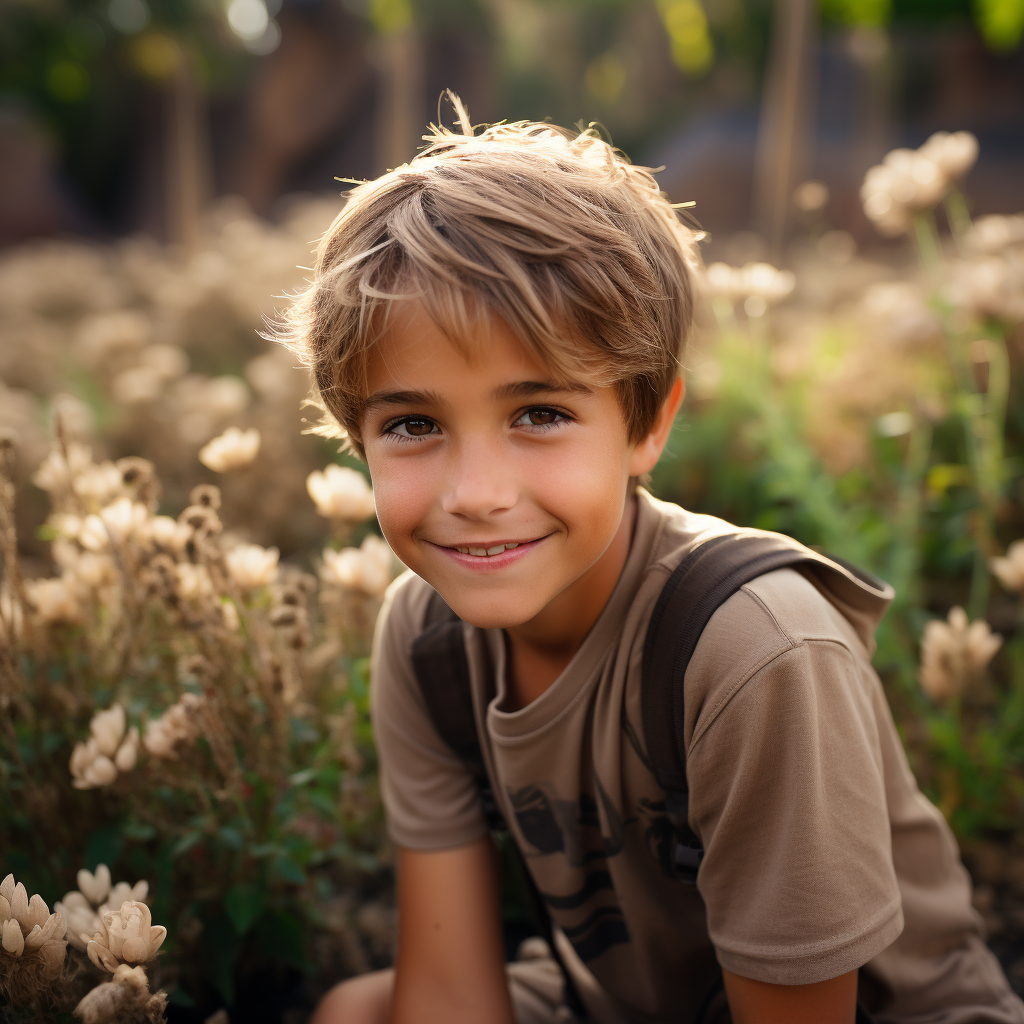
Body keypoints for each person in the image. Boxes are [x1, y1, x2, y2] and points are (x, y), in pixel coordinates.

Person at [281, 98, 1024, 1024]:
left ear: (649, 423)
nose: (474, 492)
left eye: (539, 414)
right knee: (357, 1012)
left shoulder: (758, 654)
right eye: (414, 425)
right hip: (634, 1002)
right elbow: (449, 996)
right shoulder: (426, 640)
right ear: (357, 440)